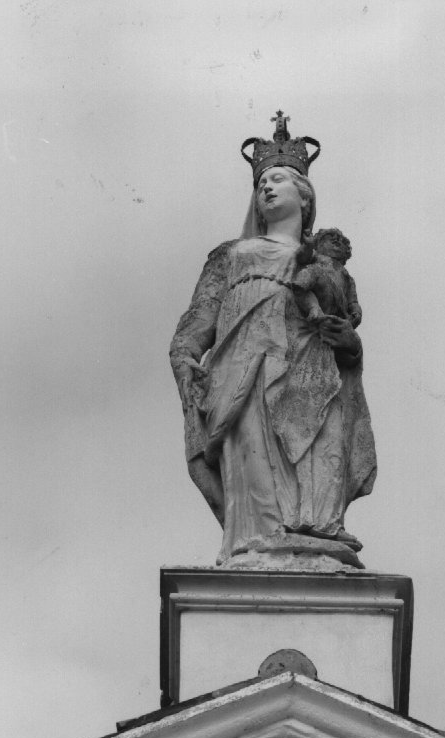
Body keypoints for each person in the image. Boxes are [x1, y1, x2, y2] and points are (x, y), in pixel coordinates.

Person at [170, 119, 376, 566]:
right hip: (245, 371)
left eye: (277, 179)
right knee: (254, 468)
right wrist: (189, 369)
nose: (266, 188)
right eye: (261, 182)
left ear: (305, 194)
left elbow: (347, 333)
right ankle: (255, 546)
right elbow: (193, 331)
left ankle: (316, 535)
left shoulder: (324, 262)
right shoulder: (230, 255)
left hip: (312, 374)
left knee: (320, 458)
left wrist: (350, 345)